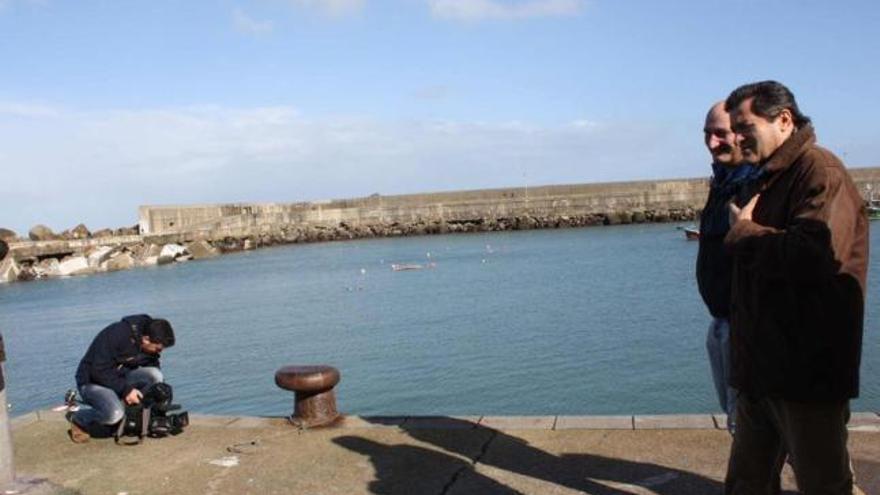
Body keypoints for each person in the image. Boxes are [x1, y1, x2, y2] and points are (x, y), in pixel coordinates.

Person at [723, 81, 868, 494]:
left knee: (823, 483)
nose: (736, 137)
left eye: (744, 126)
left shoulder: (820, 172)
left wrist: (744, 234)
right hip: (761, 372)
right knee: (746, 483)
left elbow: (816, 255)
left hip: (805, 375)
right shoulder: (768, 177)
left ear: (784, 120)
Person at [696, 101, 760, 434]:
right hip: (721, 323)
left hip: (749, 328)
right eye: (706, 134)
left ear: (743, 133)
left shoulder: (758, 185)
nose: (711, 142)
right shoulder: (722, 183)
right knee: (739, 422)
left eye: (720, 134)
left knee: (756, 428)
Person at [68, 314, 176, 443]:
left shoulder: (149, 334)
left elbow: (151, 362)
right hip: (92, 382)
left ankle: (144, 417)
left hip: (121, 378)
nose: (159, 352)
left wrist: (159, 389)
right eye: (158, 348)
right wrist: (126, 390)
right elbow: (98, 371)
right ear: (146, 339)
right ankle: (79, 419)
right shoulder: (116, 335)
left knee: (155, 375)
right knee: (114, 414)